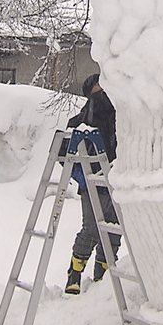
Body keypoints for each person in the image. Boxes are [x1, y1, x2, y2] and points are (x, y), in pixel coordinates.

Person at [64, 73, 120, 295]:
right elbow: (63, 155)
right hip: (93, 186)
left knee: (114, 232)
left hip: (117, 184)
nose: (102, 89)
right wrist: (82, 176)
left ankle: (102, 276)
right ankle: (75, 274)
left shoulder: (121, 116)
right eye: (97, 86)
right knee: (91, 230)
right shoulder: (81, 120)